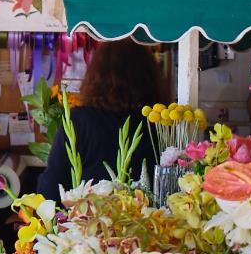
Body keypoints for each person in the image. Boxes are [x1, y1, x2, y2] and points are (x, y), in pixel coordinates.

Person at [37, 39, 161, 197]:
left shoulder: (79, 121)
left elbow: (51, 186)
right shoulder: (158, 125)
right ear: (148, 78)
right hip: (149, 219)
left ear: (96, 76)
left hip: (87, 219)